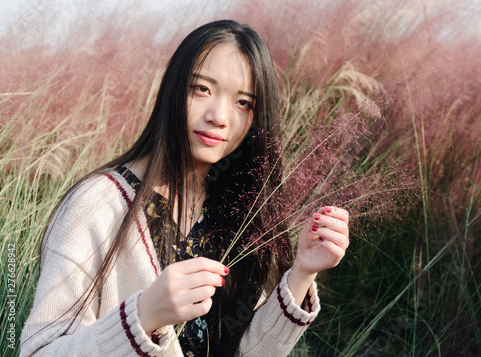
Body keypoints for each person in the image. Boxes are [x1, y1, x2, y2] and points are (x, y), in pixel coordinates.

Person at [20, 19, 349, 357]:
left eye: (243, 103)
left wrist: (302, 274)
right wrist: (145, 316)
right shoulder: (96, 205)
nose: (219, 116)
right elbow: (38, 351)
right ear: (173, 89)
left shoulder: (232, 209)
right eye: (202, 89)